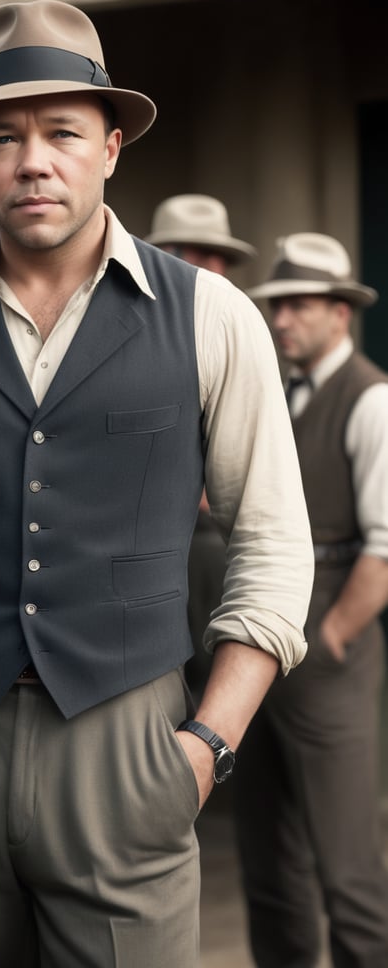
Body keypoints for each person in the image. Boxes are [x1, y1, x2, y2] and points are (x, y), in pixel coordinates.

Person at [0, 0, 313, 967]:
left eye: (63, 133)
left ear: (111, 147)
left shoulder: (214, 317)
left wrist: (205, 746)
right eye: (4, 137)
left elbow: (275, 547)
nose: (34, 159)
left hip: (132, 737)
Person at [236, 232, 388, 968]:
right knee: (268, 858)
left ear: (340, 313)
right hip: (264, 641)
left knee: (346, 864)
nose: (282, 319)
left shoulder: (370, 399)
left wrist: (329, 637)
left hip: (327, 645)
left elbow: (385, 548)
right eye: (276, 305)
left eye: (298, 305)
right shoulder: (279, 391)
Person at [146, 194, 256, 693]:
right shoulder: (137, 334)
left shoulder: (241, 334)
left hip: (215, 537)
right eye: (193, 252)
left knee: (220, 688)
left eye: (218, 256)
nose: (210, 267)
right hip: (141, 546)